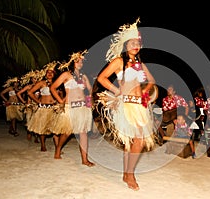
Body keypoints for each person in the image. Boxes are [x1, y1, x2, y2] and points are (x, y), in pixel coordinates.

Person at [96, 18, 156, 191]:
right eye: (132, 42)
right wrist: (117, 91)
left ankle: (126, 173)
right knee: (136, 140)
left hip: (140, 106)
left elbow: (151, 80)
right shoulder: (118, 61)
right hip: (127, 106)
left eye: (137, 42)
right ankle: (130, 174)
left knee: (135, 142)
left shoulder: (140, 64)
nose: (135, 45)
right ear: (125, 45)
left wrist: (146, 92)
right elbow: (102, 78)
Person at [50, 50, 95, 167]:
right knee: (67, 132)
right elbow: (53, 88)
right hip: (71, 107)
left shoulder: (83, 76)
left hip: (83, 107)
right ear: (72, 62)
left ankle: (84, 159)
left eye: (81, 61)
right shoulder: (66, 75)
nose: (80, 63)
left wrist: (89, 99)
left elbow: (90, 90)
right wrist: (60, 101)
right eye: (77, 61)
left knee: (83, 132)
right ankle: (58, 148)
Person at [27, 62, 60, 151]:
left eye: (52, 72)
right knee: (43, 128)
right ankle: (43, 145)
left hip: (53, 109)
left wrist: (58, 102)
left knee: (56, 128)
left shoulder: (57, 84)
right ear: (45, 74)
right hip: (43, 108)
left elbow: (60, 95)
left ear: (54, 74)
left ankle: (57, 148)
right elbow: (30, 92)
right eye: (48, 72)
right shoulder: (41, 83)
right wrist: (38, 101)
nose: (49, 74)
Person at [17, 70, 41, 142]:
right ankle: (29, 132)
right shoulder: (28, 87)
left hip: (37, 106)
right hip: (29, 106)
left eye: (36, 78)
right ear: (31, 79)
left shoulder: (40, 87)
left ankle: (36, 136)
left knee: (36, 121)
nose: (35, 80)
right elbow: (18, 93)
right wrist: (24, 102)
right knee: (29, 120)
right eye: (33, 78)